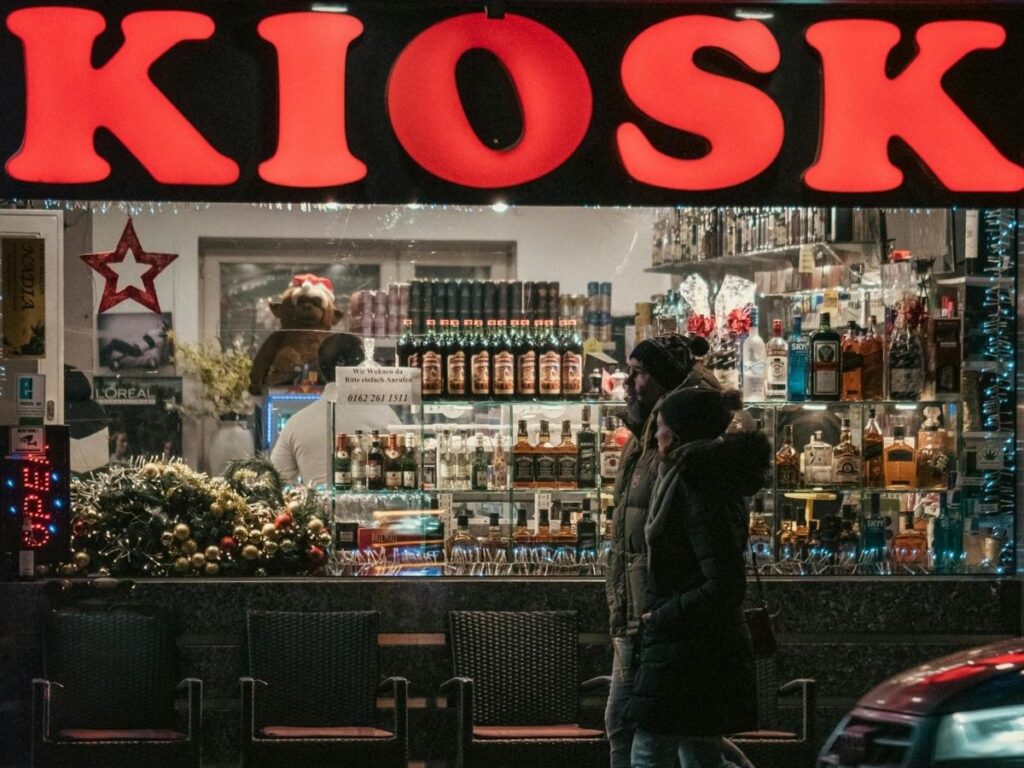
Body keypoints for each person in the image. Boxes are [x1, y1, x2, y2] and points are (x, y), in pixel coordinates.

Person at [626, 387, 770, 767]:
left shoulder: (696, 484)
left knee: (650, 751)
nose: (656, 435)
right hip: (696, 646)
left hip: (688, 646)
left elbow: (724, 584)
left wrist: (660, 615)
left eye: (660, 427)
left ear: (677, 433)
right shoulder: (697, 476)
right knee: (699, 752)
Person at [604, 334, 723, 768]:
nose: (626, 381)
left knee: (634, 730)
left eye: (637, 372)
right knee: (696, 742)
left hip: (659, 614)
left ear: (664, 382)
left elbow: (710, 559)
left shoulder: (679, 446)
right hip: (641, 609)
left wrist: (655, 612)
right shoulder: (644, 438)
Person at [270, 332, 397, 488]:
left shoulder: (295, 424)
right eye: (363, 361)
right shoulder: (383, 414)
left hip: (316, 511)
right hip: (374, 510)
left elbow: (276, 482)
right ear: (345, 365)